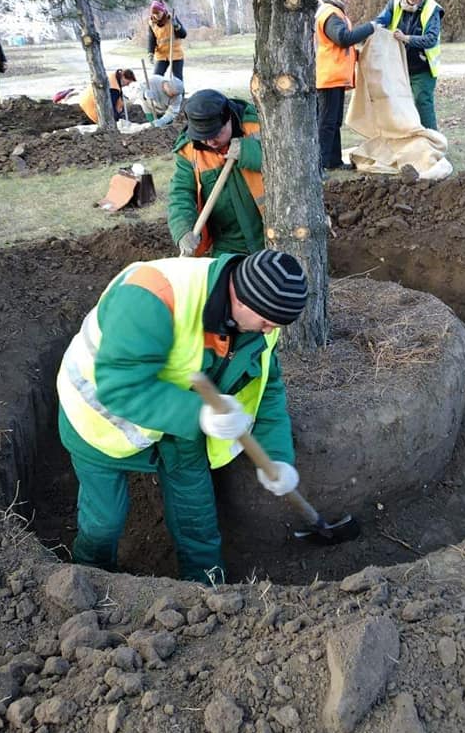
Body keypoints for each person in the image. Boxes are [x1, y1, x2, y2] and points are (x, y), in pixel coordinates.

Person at [56, 249, 308, 583]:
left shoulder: (262, 322)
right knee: (105, 523)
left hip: (180, 432)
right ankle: (89, 581)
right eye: (266, 322)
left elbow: (268, 390)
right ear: (241, 300)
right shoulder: (152, 296)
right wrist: (200, 414)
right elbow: (119, 387)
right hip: (101, 426)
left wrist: (277, 458)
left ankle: (209, 593)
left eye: (276, 325)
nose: (269, 331)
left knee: (198, 521)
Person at [168, 89, 265, 257]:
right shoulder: (190, 152)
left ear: (229, 119)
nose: (211, 142)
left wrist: (250, 152)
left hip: (269, 234)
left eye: (217, 133)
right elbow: (180, 195)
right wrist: (182, 230)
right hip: (227, 245)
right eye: (203, 136)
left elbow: (290, 163)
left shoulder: (257, 126)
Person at [315, 0, 375, 170]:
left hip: (335, 76)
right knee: (327, 123)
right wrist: (370, 28)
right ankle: (321, 165)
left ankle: (333, 161)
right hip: (328, 77)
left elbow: (342, 45)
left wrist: (358, 55)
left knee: (334, 122)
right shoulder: (330, 14)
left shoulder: (334, 12)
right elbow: (342, 38)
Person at [376, 0, 444, 130]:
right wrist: (368, 31)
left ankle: (432, 144)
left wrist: (406, 38)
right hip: (399, 68)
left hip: (423, 69)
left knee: (422, 103)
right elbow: (380, 21)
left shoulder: (433, 10)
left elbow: (431, 39)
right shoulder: (395, 4)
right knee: (400, 107)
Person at [148, 0, 187, 82]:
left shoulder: (172, 18)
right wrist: (150, 53)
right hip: (161, 55)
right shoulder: (152, 23)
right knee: (156, 78)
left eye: (158, 13)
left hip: (175, 53)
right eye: (154, 14)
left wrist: (177, 26)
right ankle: (158, 94)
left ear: (162, 11)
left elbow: (183, 35)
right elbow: (152, 39)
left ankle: (180, 95)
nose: (156, 16)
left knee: (177, 80)